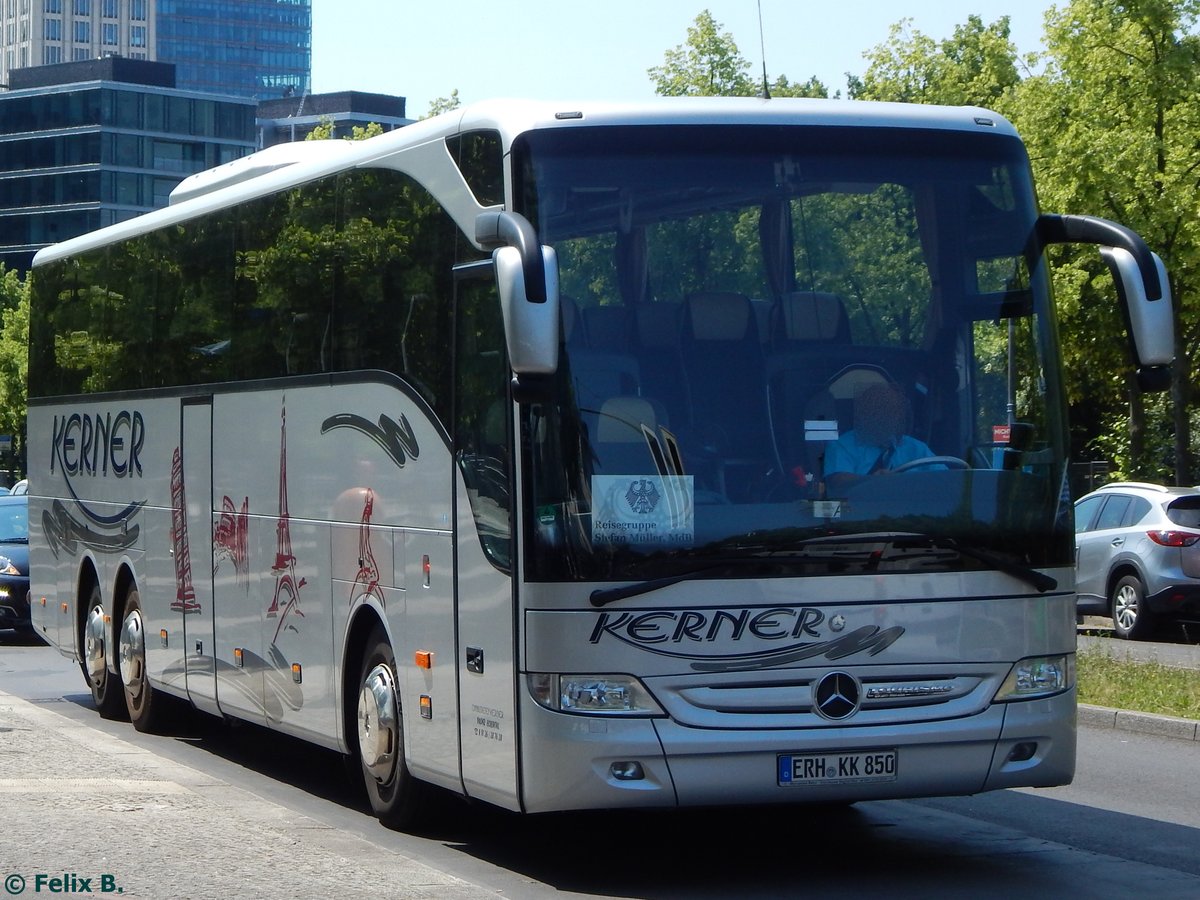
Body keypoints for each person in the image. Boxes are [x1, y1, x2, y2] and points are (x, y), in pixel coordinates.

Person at [823, 382, 939, 490]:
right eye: (878, 411)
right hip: (861, 509)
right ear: (864, 414)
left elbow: (946, 479)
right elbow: (837, 481)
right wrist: (873, 481)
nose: (886, 417)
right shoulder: (842, 445)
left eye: (893, 411)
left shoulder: (917, 448)